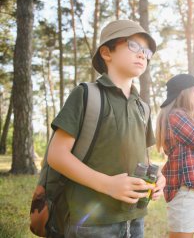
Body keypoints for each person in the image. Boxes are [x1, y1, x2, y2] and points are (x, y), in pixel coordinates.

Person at [47, 19, 166, 238]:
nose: (142, 54)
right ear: (106, 52)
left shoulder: (143, 107)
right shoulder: (86, 95)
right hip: (92, 222)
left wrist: (158, 177)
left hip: (135, 217)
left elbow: (144, 158)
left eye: (146, 51)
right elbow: (56, 155)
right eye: (133, 45)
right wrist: (108, 185)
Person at [156, 74, 194, 238]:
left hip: (186, 189)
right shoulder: (177, 115)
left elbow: (187, 142)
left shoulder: (176, 115)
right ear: (185, 93)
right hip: (185, 190)